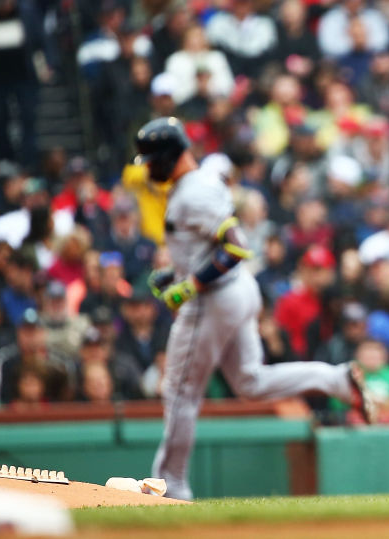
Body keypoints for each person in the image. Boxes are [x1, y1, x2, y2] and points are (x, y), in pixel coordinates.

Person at [135, 118, 375, 500]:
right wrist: (177, 273)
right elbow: (211, 247)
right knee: (250, 381)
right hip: (237, 291)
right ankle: (335, 380)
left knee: (180, 392)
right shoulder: (200, 182)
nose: (147, 168)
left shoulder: (194, 192)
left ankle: (170, 485)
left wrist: (190, 284)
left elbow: (236, 246)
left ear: (170, 156)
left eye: (151, 160)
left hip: (215, 298)